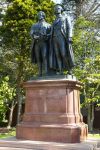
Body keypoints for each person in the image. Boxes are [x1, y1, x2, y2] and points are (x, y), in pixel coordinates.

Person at [50, 4, 75, 75]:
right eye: (56, 8)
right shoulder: (54, 21)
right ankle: (60, 70)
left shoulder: (65, 18)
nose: (57, 9)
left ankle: (69, 69)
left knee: (63, 54)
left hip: (62, 37)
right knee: (57, 55)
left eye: (58, 8)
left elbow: (69, 28)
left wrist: (70, 36)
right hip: (54, 38)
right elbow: (52, 31)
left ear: (61, 9)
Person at [30, 11, 51, 76]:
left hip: (44, 43)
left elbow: (51, 34)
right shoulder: (34, 25)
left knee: (44, 56)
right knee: (38, 57)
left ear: (44, 16)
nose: (39, 16)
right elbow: (31, 33)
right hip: (37, 43)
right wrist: (34, 36)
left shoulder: (48, 25)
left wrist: (47, 36)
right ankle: (40, 73)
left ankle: (46, 72)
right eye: (38, 15)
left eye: (41, 14)